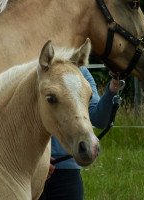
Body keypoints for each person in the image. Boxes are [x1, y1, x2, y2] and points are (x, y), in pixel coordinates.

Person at [39, 66, 120, 200]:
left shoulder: (81, 72)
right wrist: (39, 161)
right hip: (32, 169)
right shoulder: (35, 70)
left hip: (67, 169)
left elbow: (99, 119)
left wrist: (113, 88)